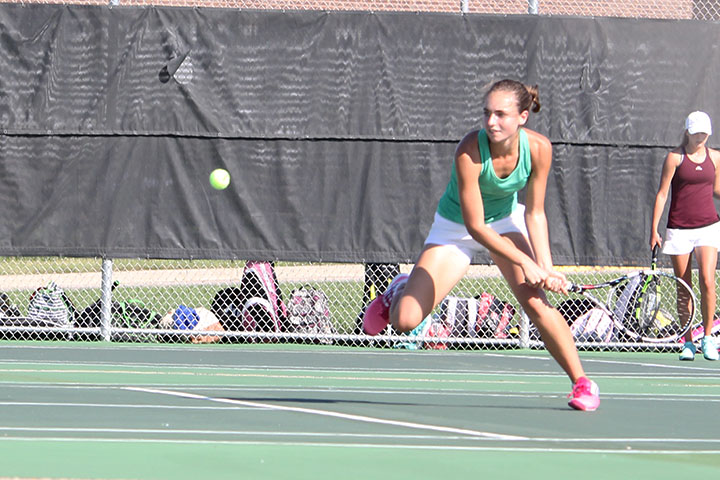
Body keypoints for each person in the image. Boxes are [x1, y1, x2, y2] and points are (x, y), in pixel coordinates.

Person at [362, 79, 600, 411]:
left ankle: (582, 382)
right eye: (487, 113)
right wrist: (526, 263)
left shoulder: (539, 149)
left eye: (501, 115)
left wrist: (545, 268)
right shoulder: (470, 150)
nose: (491, 122)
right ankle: (398, 291)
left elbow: (535, 213)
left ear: (523, 116)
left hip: (505, 220)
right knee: (405, 321)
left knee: (536, 303)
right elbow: (475, 227)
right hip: (455, 228)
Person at [650, 111, 720, 361]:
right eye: (696, 132)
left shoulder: (715, 157)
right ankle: (688, 342)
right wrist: (654, 229)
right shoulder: (674, 158)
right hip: (678, 229)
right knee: (684, 288)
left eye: (704, 132)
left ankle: (708, 338)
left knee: (708, 281)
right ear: (687, 132)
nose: (700, 136)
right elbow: (662, 194)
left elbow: (717, 190)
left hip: (709, 228)